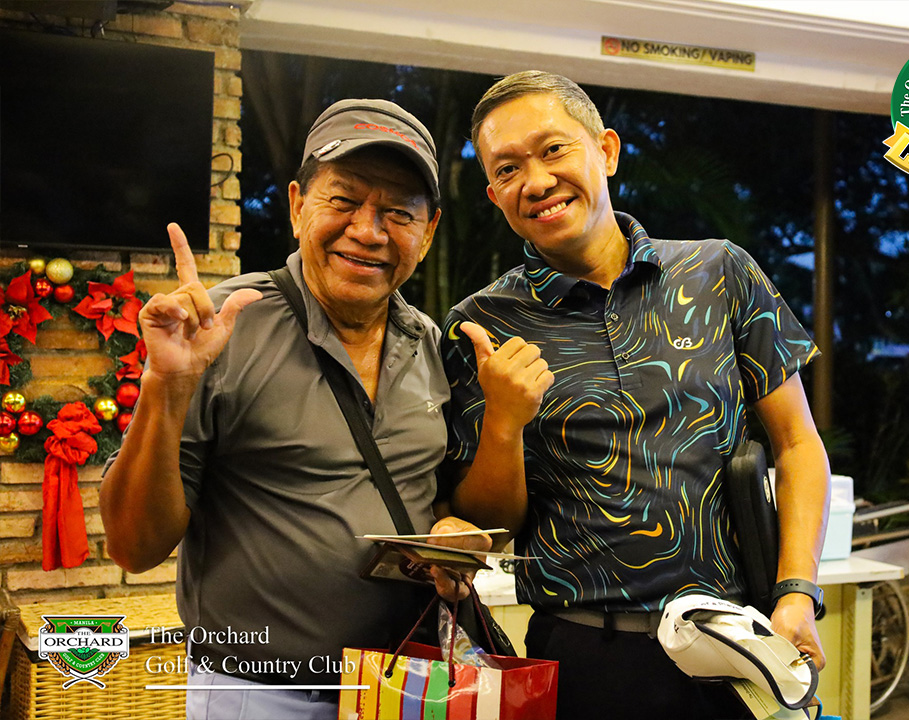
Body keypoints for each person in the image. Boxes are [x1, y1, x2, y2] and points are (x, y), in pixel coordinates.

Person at [100, 99, 510, 720]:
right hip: (261, 694)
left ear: (428, 234)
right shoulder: (224, 326)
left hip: (404, 690)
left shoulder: (431, 343)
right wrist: (166, 384)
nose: (368, 231)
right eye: (343, 200)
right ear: (296, 206)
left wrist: (451, 533)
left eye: (399, 213)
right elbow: (133, 547)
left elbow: (438, 497)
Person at [441, 71, 831, 720]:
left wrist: (796, 593)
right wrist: (504, 422)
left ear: (607, 151)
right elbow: (490, 527)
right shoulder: (481, 324)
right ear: (494, 194)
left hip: (731, 645)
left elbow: (797, 444)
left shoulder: (718, 273)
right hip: (580, 657)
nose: (535, 181)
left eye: (554, 149)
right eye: (508, 169)